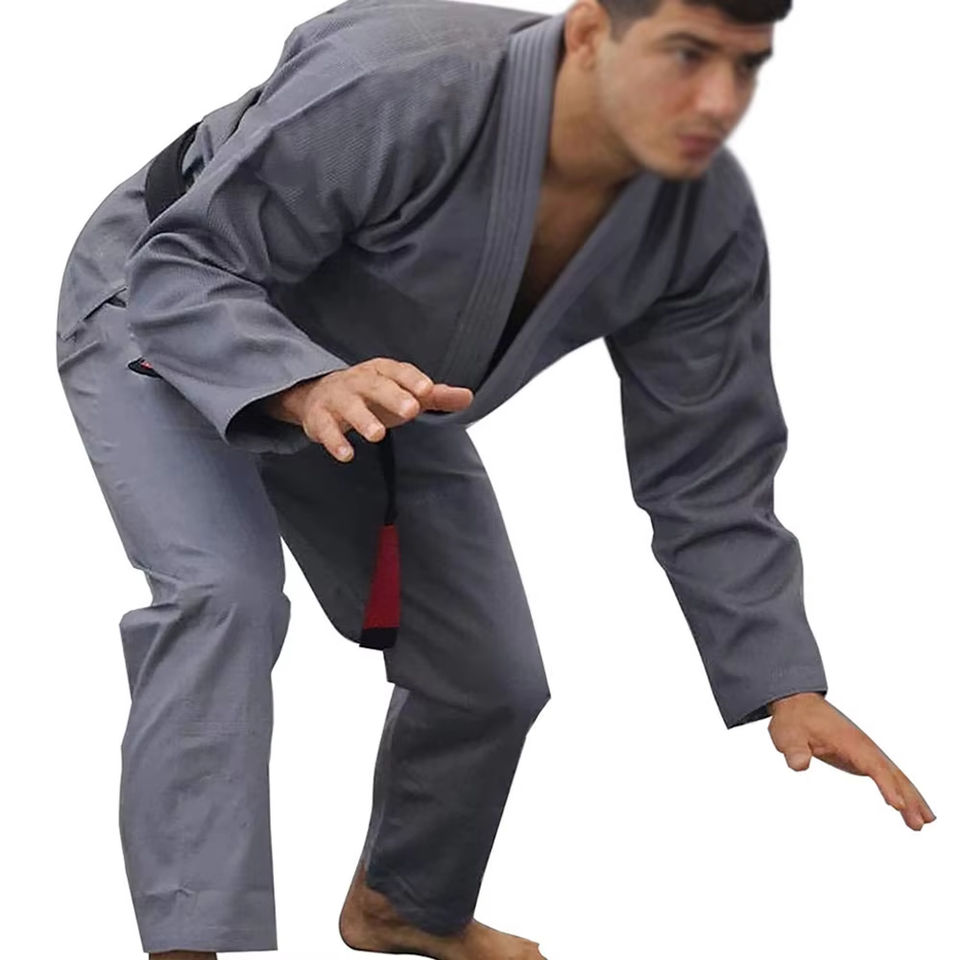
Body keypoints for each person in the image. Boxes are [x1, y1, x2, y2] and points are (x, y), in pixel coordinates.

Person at [54, 0, 936, 957]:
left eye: (746, 65)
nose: (720, 100)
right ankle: (187, 944)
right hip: (164, 308)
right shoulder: (400, 78)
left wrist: (785, 684)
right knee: (224, 595)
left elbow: (710, 474)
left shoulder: (701, 221)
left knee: (488, 675)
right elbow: (187, 263)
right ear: (591, 33)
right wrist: (303, 384)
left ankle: (402, 905)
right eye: (687, 55)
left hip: (382, 381)